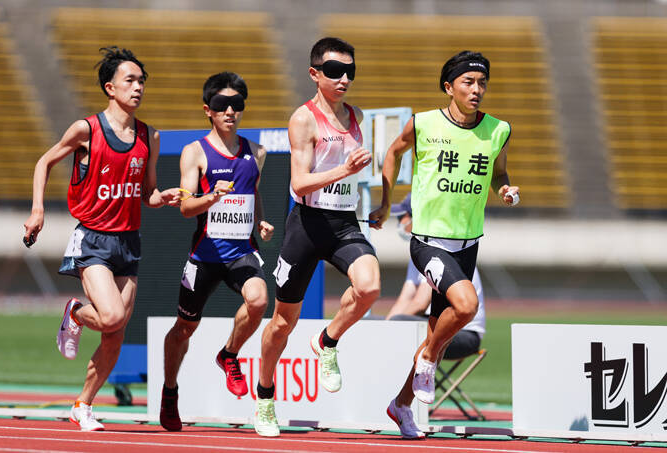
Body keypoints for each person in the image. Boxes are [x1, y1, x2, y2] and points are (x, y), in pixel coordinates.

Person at [22, 47, 181, 432]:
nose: (138, 87)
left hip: (128, 242)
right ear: (110, 87)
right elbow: (44, 162)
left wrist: (166, 197)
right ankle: (75, 312)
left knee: (115, 334)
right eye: (130, 80)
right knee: (109, 316)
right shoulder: (86, 130)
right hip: (93, 239)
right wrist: (38, 210)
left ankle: (83, 405)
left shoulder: (149, 136)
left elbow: (148, 194)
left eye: (142, 80)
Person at [370, 50, 519, 439]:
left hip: (468, 245)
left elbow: (498, 171)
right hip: (428, 242)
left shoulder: (498, 130)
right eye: (469, 82)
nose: (477, 89)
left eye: (482, 82)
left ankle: (401, 405)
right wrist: (386, 203)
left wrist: (504, 188)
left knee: (440, 326)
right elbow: (392, 153)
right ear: (448, 86)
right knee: (466, 306)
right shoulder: (423, 124)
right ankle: (429, 358)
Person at [253, 37, 379, 437]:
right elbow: (301, 182)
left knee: (370, 286)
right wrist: (345, 171)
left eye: (350, 72)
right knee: (281, 323)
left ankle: (327, 340)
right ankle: (265, 398)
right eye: (335, 72)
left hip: (343, 223)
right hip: (307, 226)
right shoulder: (303, 119)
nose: (344, 79)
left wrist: (376, 201)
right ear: (315, 74)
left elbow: (359, 170)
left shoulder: (358, 116)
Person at [159, 72, 274, 432]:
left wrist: (261, 222)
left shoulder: (256, 152)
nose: (230, 111)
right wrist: (211, 197)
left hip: (241, 252)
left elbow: (251, 193)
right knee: (183, 329)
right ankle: (170, 390)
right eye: (222, 105)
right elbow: (185, 206)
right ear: (208, 110)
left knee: (258, 300)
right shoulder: (195, 152)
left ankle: (228, 355)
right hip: (205, 255)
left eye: (237, 105)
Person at [386, 194, 486, 366]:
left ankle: (418, 374)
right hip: (438, 323)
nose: (400, 223)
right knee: (389, 322)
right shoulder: (419, 252)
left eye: (403, 217)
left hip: (465, 333)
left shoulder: (437, 251)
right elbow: (405, 298)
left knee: (397, 324)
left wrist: (388, 328)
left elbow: (419, 303)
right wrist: (382, 326)